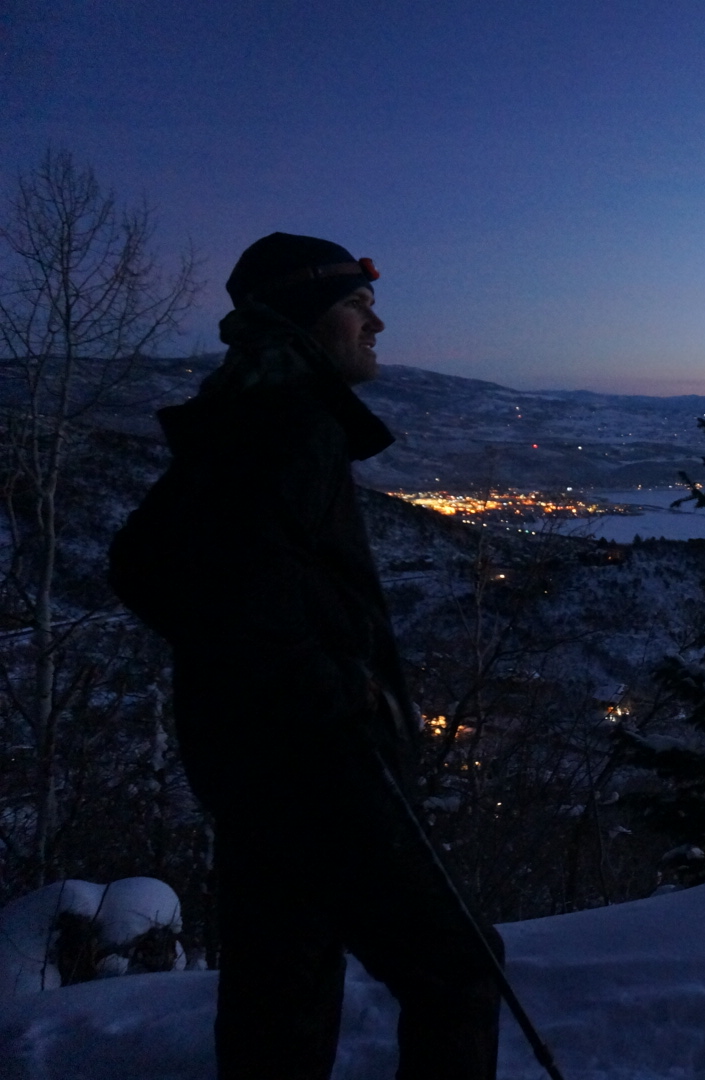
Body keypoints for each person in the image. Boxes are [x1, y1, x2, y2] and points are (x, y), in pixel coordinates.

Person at [112, 232, 503, 1079]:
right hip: (320, 766)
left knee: (283, 984)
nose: (378, 323)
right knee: (460, 969)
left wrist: (246, 677)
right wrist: (326, 692)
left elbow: (144, 565)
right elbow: (212, 585)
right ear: (305, 317)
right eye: (357, 307)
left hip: (256, 765)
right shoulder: (285, 424)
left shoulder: (246, 415)